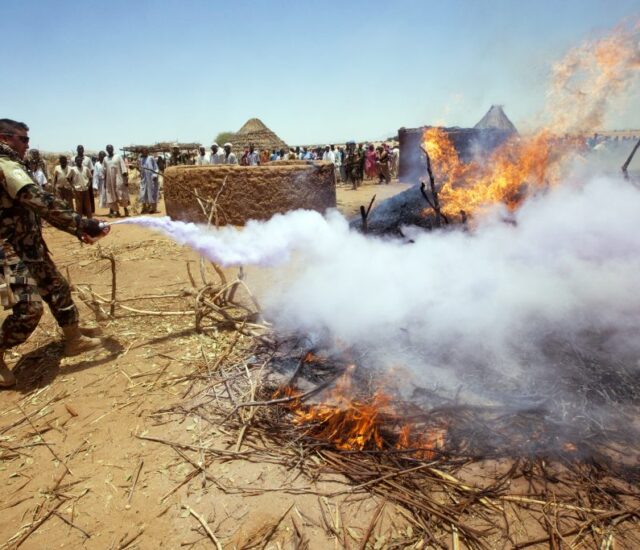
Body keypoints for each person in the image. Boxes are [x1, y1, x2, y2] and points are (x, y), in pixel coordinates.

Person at [0, 119, 110, 387]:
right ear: (4, 138)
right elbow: (39, 200)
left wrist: (77, 230)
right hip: (7, 248)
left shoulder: (13, 162)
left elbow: (37, 208)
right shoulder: (4, 164)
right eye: (23, 139)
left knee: (57, 286)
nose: (27, 145)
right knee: (29, 307)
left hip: (27, 242)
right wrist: (82, 223)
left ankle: (73, 339)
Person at [103, 144, 129, 217]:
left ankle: (125, 209)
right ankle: (117, 211)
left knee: (121, 194)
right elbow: (104, 171)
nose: (109, 150)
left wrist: (126, 180)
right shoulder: (105, 159)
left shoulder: (118, 157)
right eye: (108, 149)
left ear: (113, 149)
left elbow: (124, 169)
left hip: (119, 178)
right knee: (112, 195)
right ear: (106, 150)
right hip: (109, 181)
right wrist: (105, 182)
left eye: (111, 148)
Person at [138, 148, 159, 214]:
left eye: (145, 151)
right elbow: (140, 168)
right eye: (143, 152)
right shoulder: (140, 159)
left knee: (152, 193)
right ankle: (144, 208)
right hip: (144, 179)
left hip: (151, 178)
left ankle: (154, 209)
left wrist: (155, 175)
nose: (144, 153)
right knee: (143, 193)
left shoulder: (151, 158)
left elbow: (156, 167)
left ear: (147, 152)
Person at [76, 145, 95, 214]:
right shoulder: (73, 159)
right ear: (77, 150)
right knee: (79, 197)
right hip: (77, 181)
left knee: (89, 196)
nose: (80, 150)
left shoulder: (88, 159)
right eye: (79, 149)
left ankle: (90, 211)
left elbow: (92, 169)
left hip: (87, 181)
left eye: (82, 149)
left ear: (83, 150)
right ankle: (81, 211)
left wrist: (90, 179)